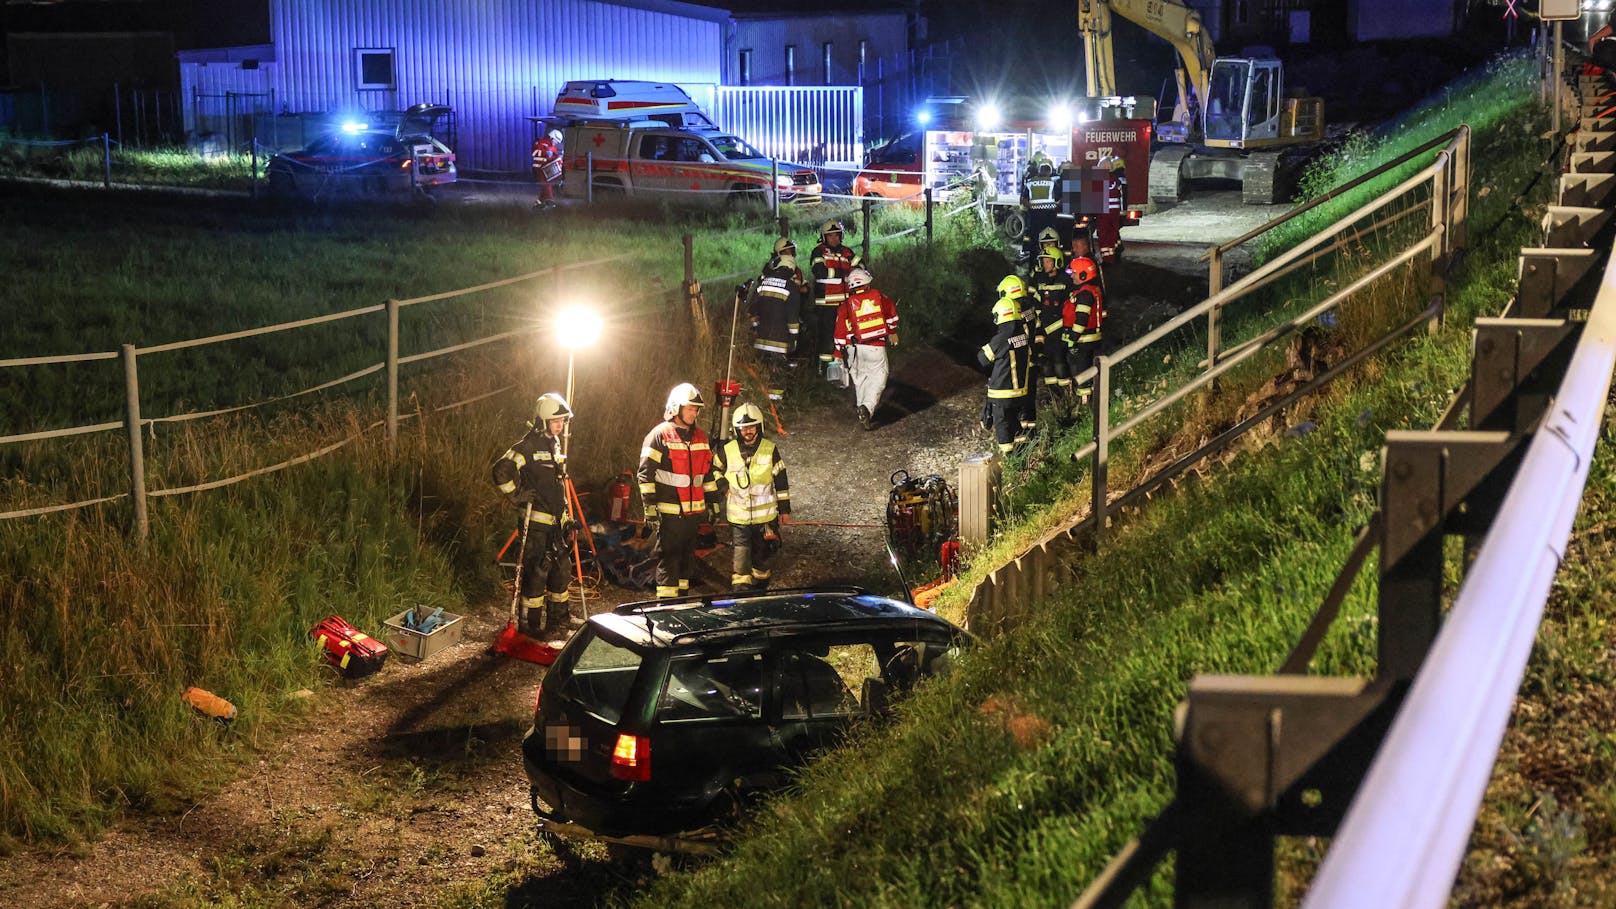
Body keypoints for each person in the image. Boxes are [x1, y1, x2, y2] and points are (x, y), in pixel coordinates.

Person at [491, 393, 577, 638]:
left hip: (555, 525)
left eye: (562, 421)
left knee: (561, 569)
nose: (560, 425)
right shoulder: (527, 446)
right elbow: (500, 472)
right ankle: (530, 625)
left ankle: (558, 621)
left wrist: (566, 519)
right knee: (537, 574)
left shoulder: (554, 444)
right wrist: (517, 495)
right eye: (556, 421)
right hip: (536, 525)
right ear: (542, 421)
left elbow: (556, 488)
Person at [637, 383, 721, 599]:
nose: (694, 413)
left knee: (686, 564)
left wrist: (713, 503)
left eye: (696, 409)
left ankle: (681, 606)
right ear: (676, 408)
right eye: (689, 408)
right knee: (669, 563)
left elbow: (707, 474)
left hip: (693, 515)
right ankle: (665, 610)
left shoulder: (701, 437)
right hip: (670, 514)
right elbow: (645, 475)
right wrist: (650, 509)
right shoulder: (659, 435)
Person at [713, 403, 792, 590]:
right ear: (737, 429)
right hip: (739, 518)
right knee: (741, 557)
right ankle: (740, 595)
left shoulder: (770, 449)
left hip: (765, 519)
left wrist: (785, 509)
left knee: (762, 557)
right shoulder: (727, 450)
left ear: (759, 426)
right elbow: (713, 470)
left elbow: (781, 480)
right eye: (744, 427)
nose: (748, 431)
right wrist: (722, 486)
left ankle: (761, 587)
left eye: (752, 426)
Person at [833, 266, 900, 430]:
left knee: (860, 379)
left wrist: (838, 354)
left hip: (853, 350)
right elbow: (892, 314)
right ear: (867, 284)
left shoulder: (844, 306)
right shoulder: (880, 298)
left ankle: (861, 408)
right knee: (878, 378)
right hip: (875, 346)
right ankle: (867, 408)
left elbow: (839, 333)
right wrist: (892, 331)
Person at [746, 237, 807, 400]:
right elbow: (793, 319)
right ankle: (776, 407)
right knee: (778, 375)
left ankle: (762, 401)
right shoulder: (791, 287)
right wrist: (793, 338)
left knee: (763, 370)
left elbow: (752, 308)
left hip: (761, 338)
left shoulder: (765, 282)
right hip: (780, 340)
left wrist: (756, 327)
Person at [979, 276, 1035, 454]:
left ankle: (1009, 457)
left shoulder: (1002, 337)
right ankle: (1023, 453)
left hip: (1001, 392)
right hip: (1020, 390)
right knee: (1016, 425)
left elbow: (982, 358)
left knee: (1003, 427)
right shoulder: (1022, 335)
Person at [810, 219, 863, 378]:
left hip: (846, 304)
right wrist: (845, 273)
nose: (834, 239)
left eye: (837, 235)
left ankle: (844, 370)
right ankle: (823, 371)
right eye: (830, 236)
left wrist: (841, 272)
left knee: (845, 337)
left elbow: (862, 267)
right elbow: (819, 271)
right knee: (826, 338)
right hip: (826, 304)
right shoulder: (818, 251)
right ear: (824, 237)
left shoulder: (847, 252)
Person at [1030, 244, 1078, 416]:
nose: (1045, 264)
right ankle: (1054, 396)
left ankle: (1068, 397)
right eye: (1044, 261)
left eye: (1049, 261)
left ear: (1056, 262)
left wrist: (1069, 329)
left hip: (1059, 330)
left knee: (1060, 364)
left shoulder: (1065, 281)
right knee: (1047, 366)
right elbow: (1035, 302)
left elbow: (1071, 307)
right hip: (1044, 330)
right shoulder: (1040, 280)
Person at [1069, 255, 1105, 401]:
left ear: (1083, 275)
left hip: (1085, 339)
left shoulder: (1084, 295)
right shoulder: (1093, 290)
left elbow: (1081, 320)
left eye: (1074, 273)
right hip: (1094, 337)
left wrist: (1072, 338)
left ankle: (1085, 403)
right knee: (1091, 368)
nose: (1072, 276)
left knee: (1082, 370)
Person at [1020, 151, 1059, 262]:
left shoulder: (1031, 182)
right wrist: (1055, 206)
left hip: (1034, 217)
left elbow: (1023, 200)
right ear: (1049, 171)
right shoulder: (1052, 183)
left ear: (1039, 171)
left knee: (1034, 242)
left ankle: (1033, 263)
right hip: (1049, 216)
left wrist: (1031, 206)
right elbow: (1061, 199)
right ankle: (1049, 261)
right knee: (1048, 240)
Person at [532, 129, 563, 210]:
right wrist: (545, 153)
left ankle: (538, 205)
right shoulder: (540, 142)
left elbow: (553, 156)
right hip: (539, 168)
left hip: (548, 168)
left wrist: (558, 158)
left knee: (546, 185)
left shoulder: (553, 147)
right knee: (546, 184)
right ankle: (550, 202)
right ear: (552, 137)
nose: (556, 143)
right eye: (556, 141)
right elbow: (534, 153)